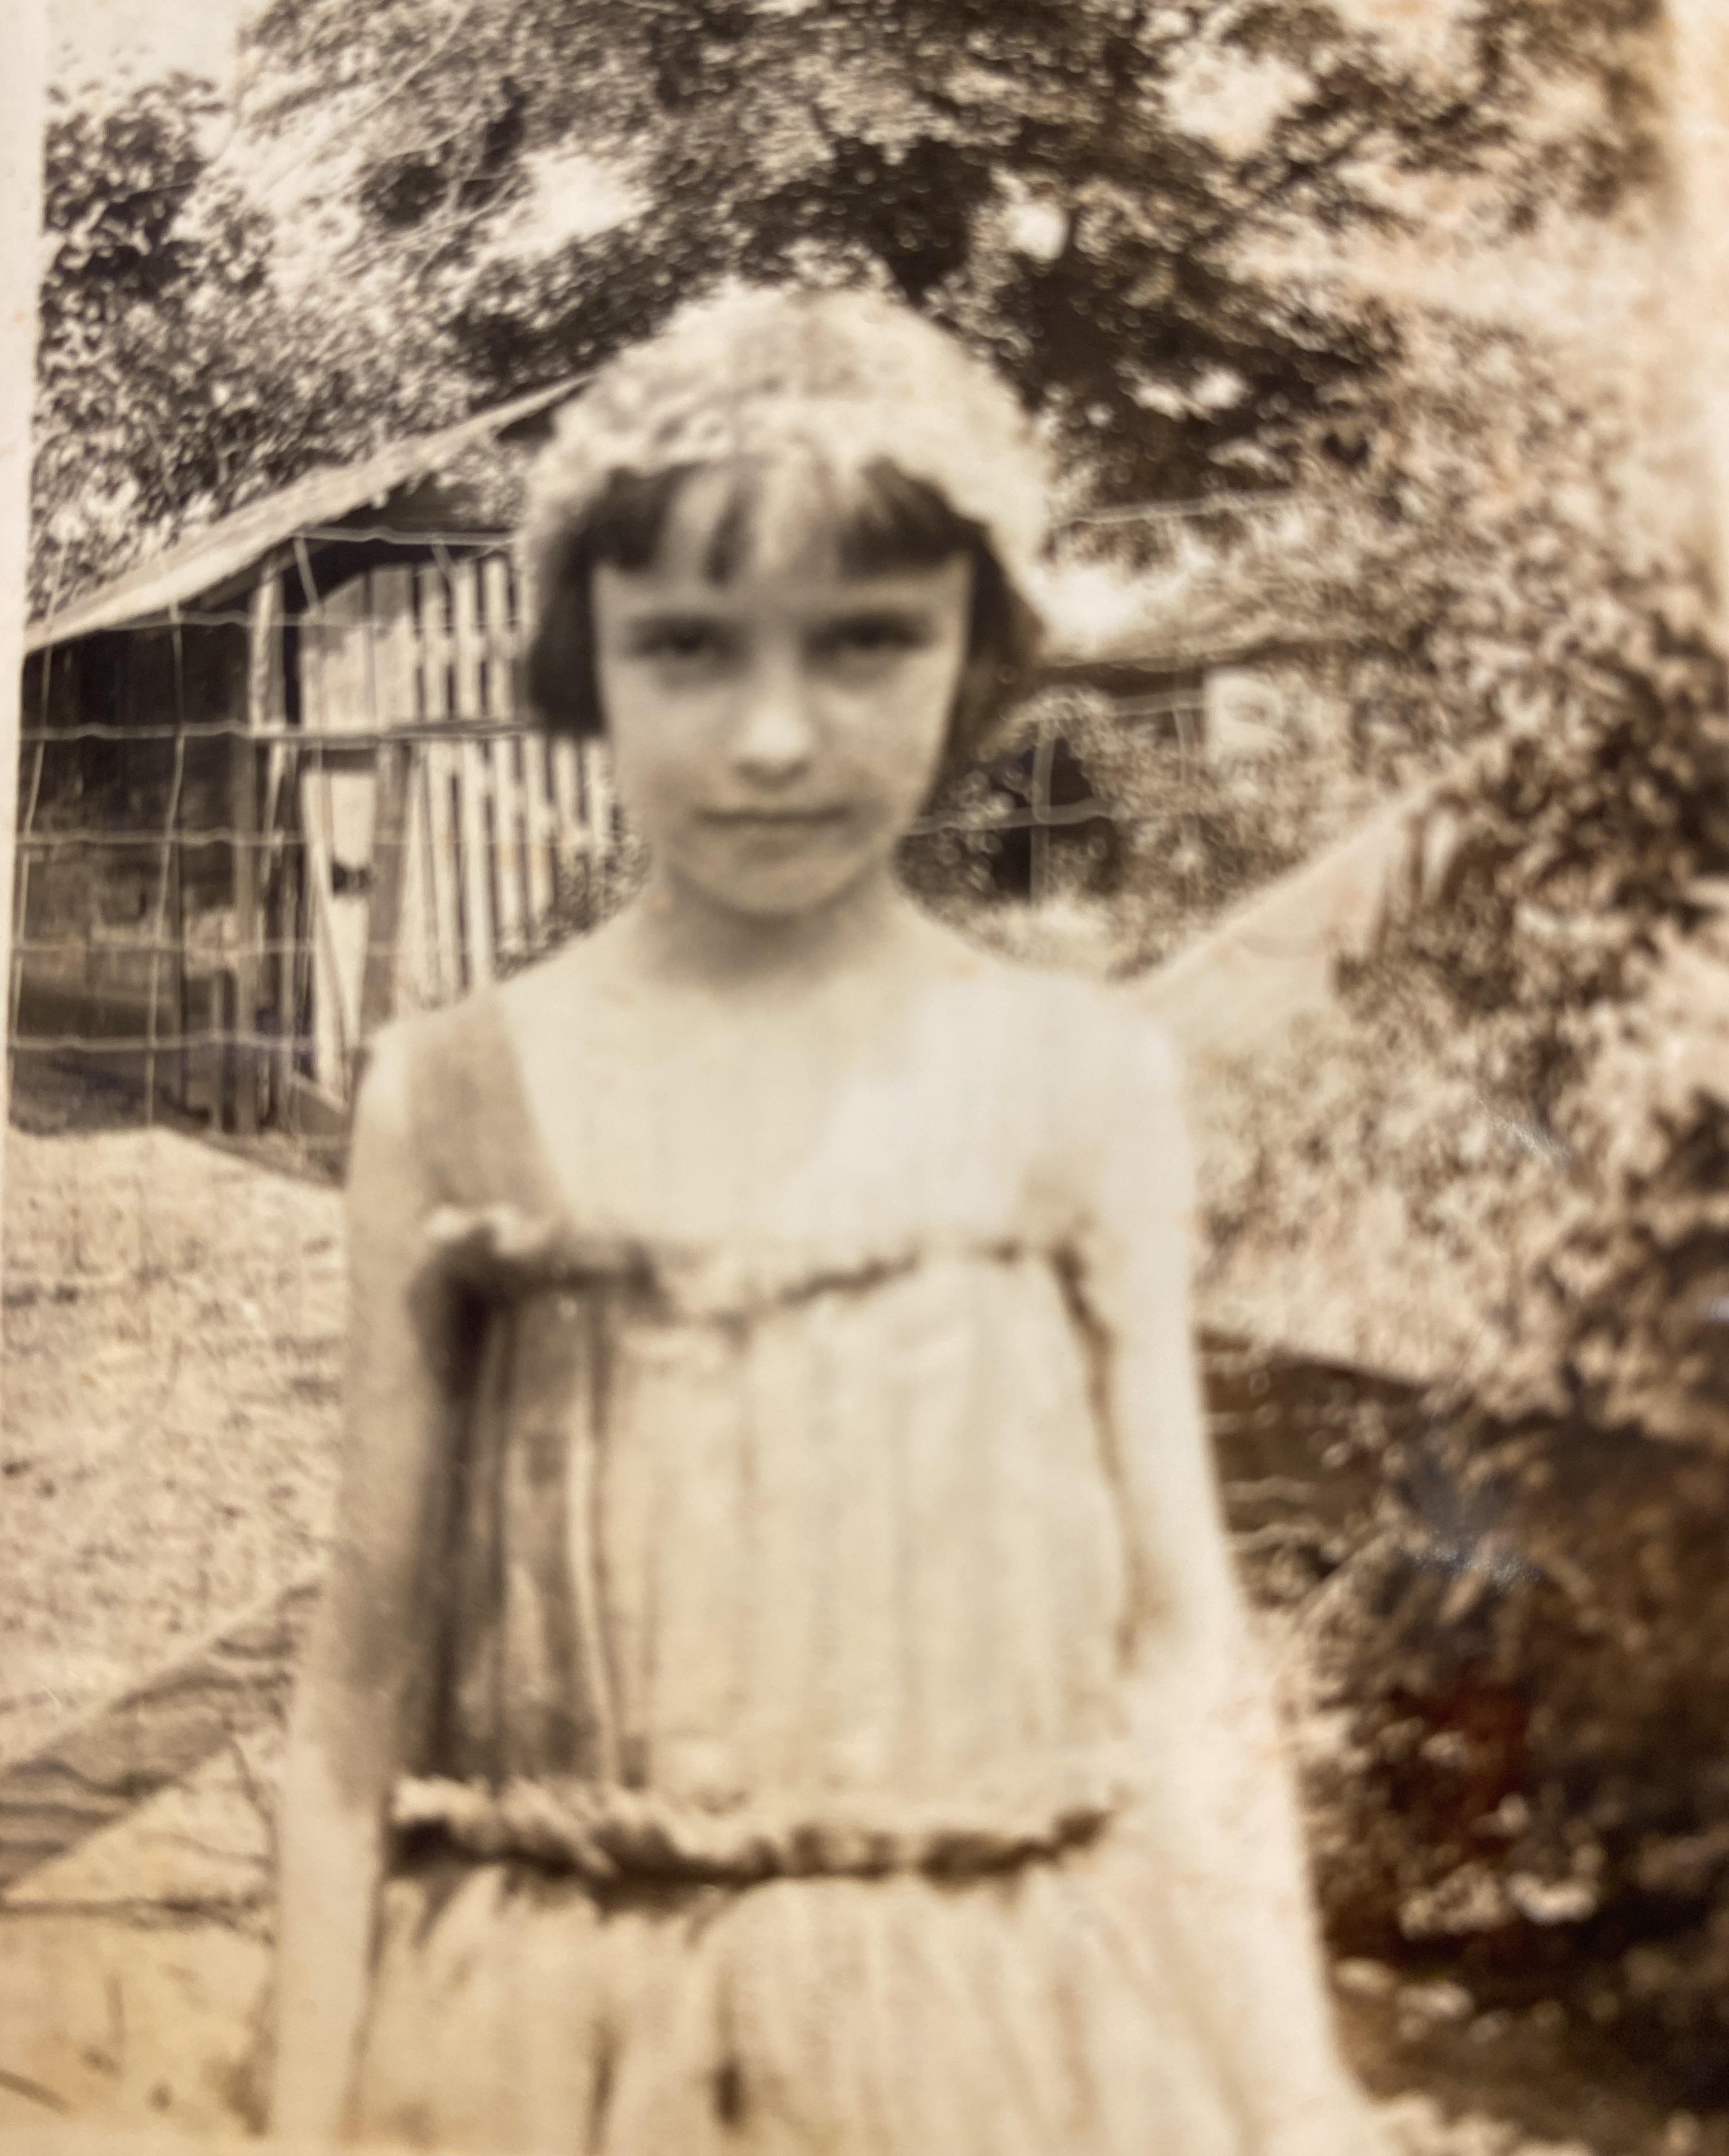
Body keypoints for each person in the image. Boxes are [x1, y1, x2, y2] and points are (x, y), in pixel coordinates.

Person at [270, 285, 1384, 2155]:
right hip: (552, 2065)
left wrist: (1299, 2111)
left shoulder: (1074, 1084)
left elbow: (1184, 1655)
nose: (774, 735)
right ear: (586, 655)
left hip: (990, 2047)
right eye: (688, 648)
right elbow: (357, 1682)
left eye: (865, 641)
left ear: (976, 653)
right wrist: (301, 2118)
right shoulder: (449, 1101)